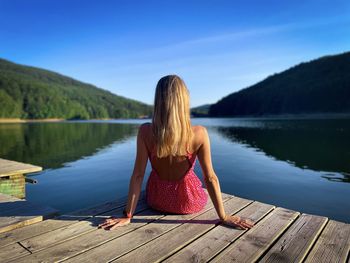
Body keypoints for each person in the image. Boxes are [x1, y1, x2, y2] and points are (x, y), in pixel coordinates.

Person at [98, 75, 254, 230]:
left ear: (158, 100)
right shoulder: (199, 133)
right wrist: (224, 216)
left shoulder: (145, 131)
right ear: (184, 100)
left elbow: (138, 175)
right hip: (189, 202)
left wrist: (128, 215)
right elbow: (210, 178)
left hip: (157, 200)